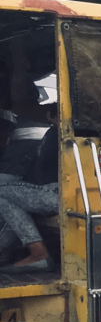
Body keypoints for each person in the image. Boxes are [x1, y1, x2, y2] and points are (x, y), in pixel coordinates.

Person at [0, 99, 59, 273]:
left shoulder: (63, 135)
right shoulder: (51, 135)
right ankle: (35, 252)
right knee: (6, 200)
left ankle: (38, 253)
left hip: (53, 193)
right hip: (46, 192)